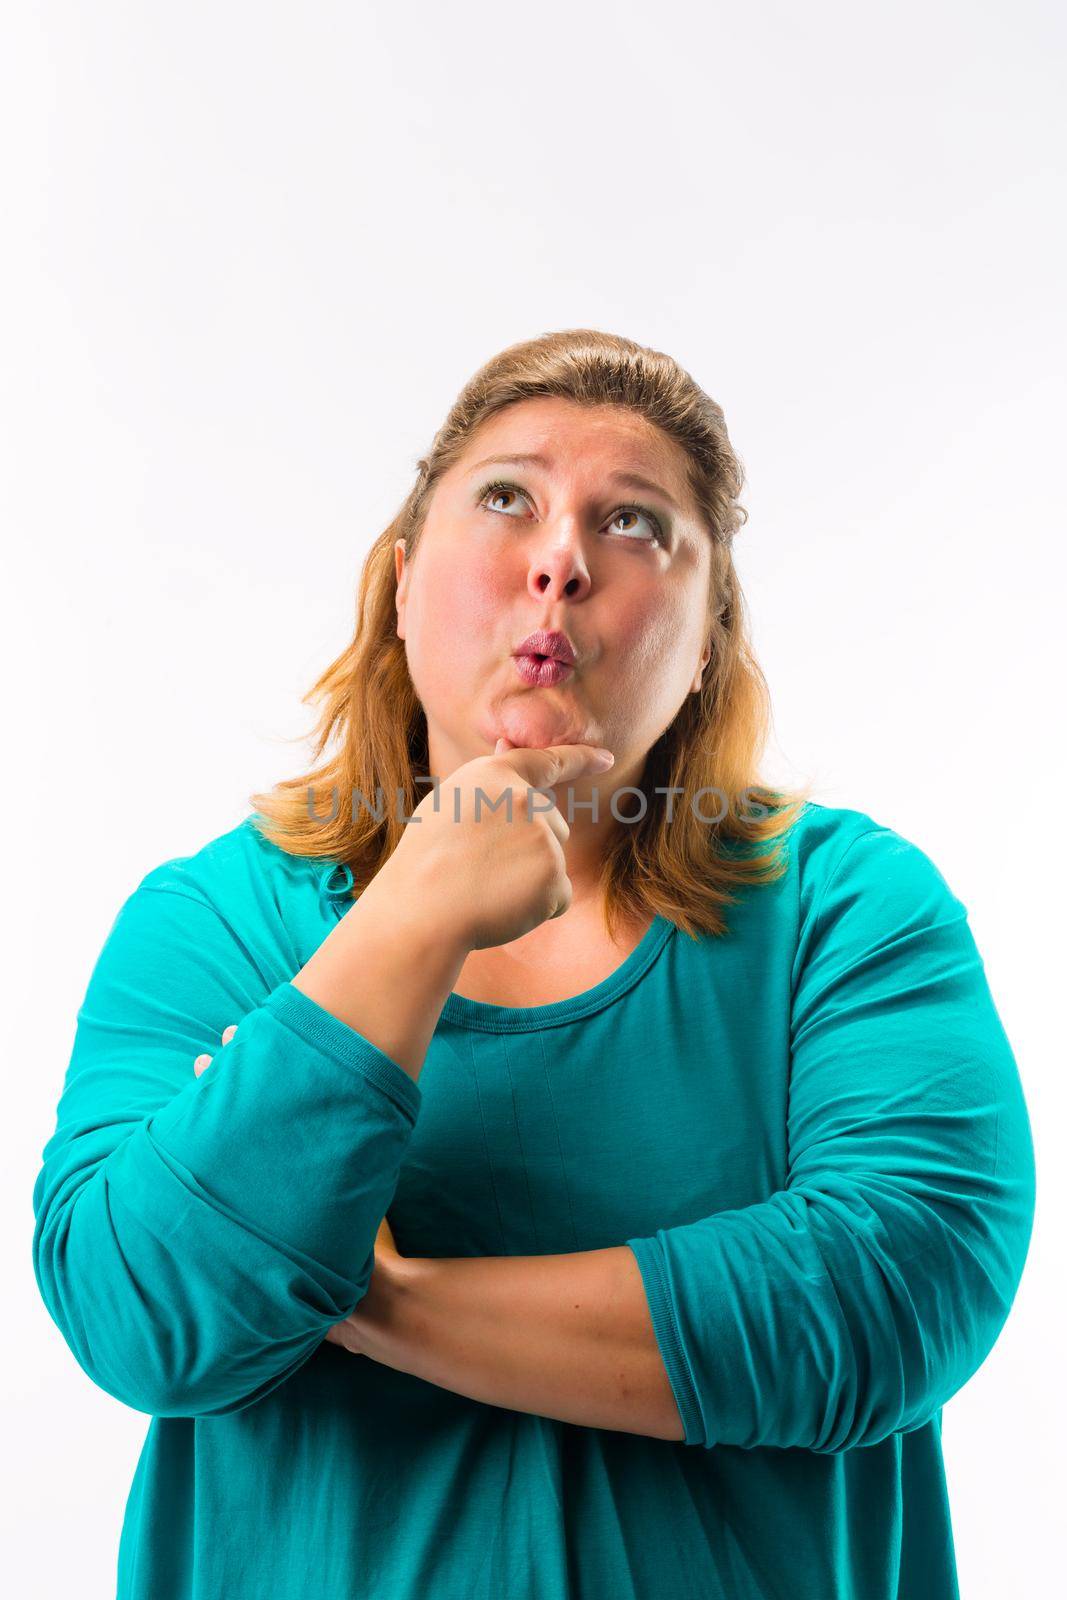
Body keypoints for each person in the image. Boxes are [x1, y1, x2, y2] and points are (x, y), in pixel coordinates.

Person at [31, 328, 1035, 1600]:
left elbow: (885, 1296)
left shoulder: (843, 909)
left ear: (707, 630)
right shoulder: (212, 922)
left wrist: (364, 1296)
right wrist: (412, 916)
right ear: (399, 587)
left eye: (631, 524)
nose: (558, 559)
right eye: (507, 497)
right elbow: (146, 1317)